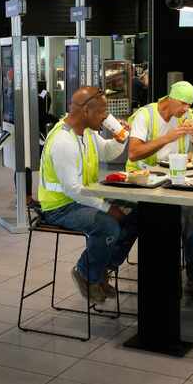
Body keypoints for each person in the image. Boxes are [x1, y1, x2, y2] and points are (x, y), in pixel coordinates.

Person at [38, 86, 138, 303]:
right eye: (102, 112)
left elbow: (106, 152)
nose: (106, 118)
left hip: (81, 199)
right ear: (85, 111)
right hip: (60, 207)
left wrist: (119, 140)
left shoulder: (88, 132)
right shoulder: (63, 141)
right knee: (108, 224)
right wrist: (107, 207)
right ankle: (86, 272)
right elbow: (72, 189)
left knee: (137, 213)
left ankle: (102, 269)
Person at [126, 80, 193, 299]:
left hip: (175, 181)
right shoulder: (145, 116)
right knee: (182, 217)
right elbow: (134, 153)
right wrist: (169, 136)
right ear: (170, 98)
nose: (186, 109)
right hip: (143, 182)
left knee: (192, 221)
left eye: (189, 105)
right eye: (183, 104)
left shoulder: (186, 115)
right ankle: (167, 280)